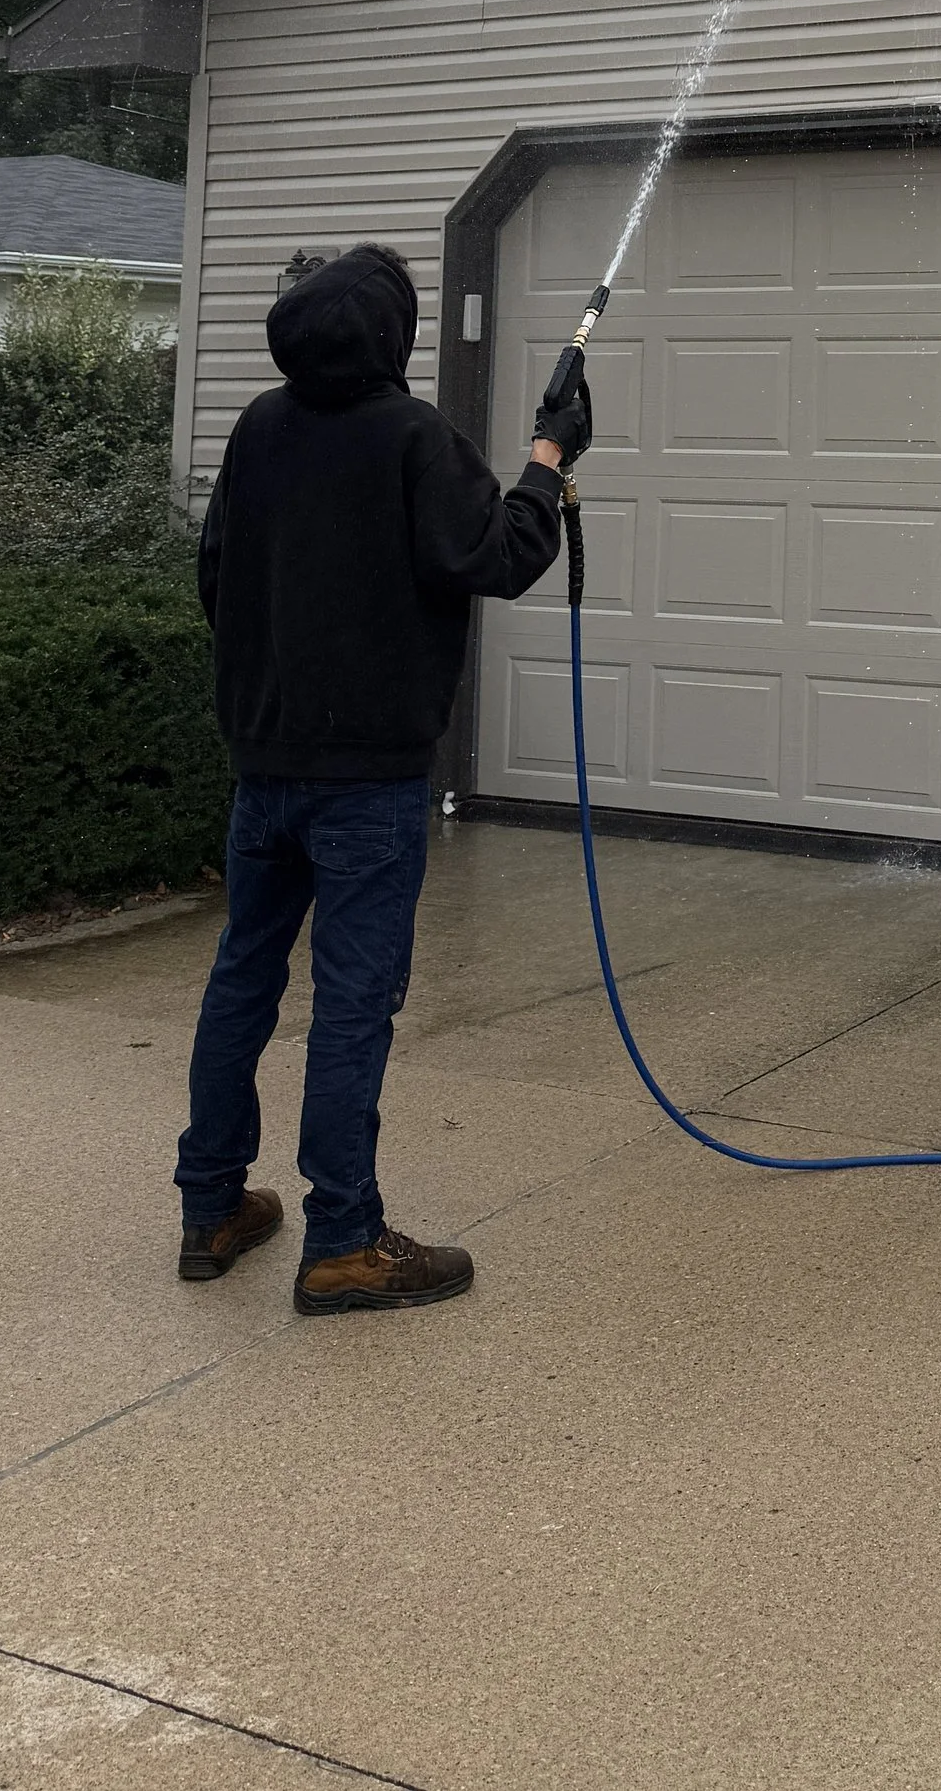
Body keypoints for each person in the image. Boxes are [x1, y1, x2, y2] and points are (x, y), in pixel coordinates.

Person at [174, 243, 589, 1314]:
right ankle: (346, 1244)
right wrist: (549, 457)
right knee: (353, 1007)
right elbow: (494, 557)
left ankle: (210, 1208)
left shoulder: (260, 427)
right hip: (367, 786)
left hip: (264, 770)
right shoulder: (412, 437)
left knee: (242, 984)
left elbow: (216, 572)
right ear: (390, 337)